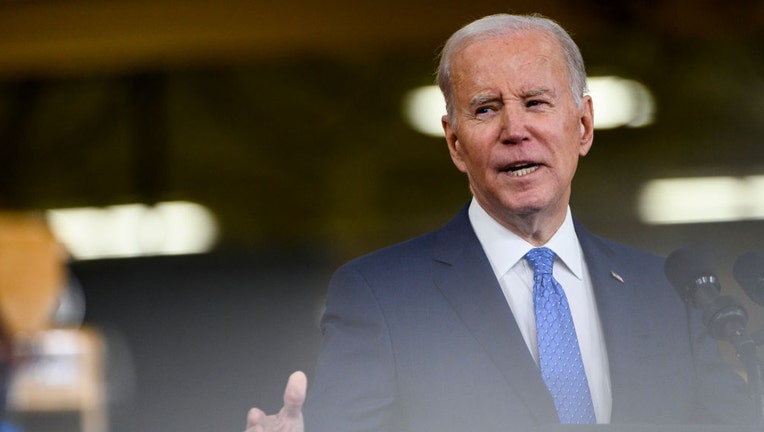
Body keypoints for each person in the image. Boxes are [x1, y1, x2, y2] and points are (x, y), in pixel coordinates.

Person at [245, 13, 756, 432]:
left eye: (536, 102)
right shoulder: (381, 296)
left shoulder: (668, 290)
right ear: (454, 142)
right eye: (486, 109)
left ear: (582, 125)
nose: (516, 130)